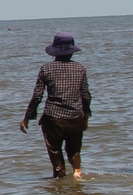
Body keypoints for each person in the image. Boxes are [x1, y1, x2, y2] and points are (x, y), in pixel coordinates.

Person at [20, 32, 91, 179]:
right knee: (74, 151)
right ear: (71, 52)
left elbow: (37, 96)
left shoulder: (46, 69)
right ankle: (77, 173)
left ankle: (59, 182)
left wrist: (27, 117)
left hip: (53, 119)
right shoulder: (80, 69)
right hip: (75, 118)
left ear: (55, 52)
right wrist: (86, 115)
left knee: (55, 151)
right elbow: (85, 95)